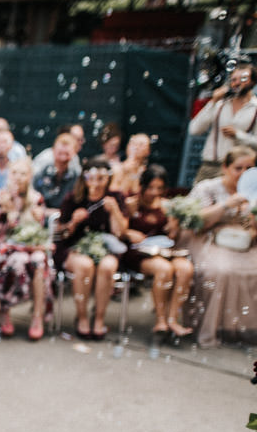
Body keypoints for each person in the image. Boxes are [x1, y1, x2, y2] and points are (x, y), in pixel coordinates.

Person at [184, 145, 257, 347]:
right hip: (208, 238)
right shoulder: (208, 188)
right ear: (225, 167)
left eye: (248, 168)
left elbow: (247, 225)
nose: (242, 173)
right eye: (238, 168)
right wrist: (227, 205)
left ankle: (244, 328)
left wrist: (250, 217)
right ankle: (213, 327)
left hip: (242, 242)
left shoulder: (253, 191)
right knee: (221, 270)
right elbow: (198, 222)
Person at [56, 156, 129, 340]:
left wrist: (115, 212)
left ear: (108, 179)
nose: (96, 183)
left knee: (107, 267)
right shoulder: (74, 198)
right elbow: (61, 233)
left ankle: (99, 318)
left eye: (101, 178)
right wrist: (72, 222)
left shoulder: (116, 198)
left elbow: (120, 233)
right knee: (85, 266)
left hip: (107, 247)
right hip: (75, 247)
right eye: (92, 178)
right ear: (85, 178)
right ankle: (81, 318)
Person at [121, 164, 194, 340]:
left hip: (165, 250)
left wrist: (174, 228)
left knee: (185, 269)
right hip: (139, 253)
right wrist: (130, 233)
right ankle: (160, 320)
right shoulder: (131, 204)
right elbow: (121, 231)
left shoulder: (167, 206)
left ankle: (173, 319)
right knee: (164, 270)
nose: (155, 192)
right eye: (151, 187)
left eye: (160, 188)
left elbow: (172, 235)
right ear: (143, 185)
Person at [0, 158, 53, 341]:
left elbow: (36, 233)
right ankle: (5, 308)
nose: (18, 177)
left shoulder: (36, 198)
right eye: (15, 173)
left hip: (30, 246)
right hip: (3, 246)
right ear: (9, 174)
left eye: (23, 173)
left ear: (29, 176)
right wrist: (7, 213)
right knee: (19, 260)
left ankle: (37, 316)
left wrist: (39, 218)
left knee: (39, 259)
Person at [188, 63, 257, 183]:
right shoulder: (220, 104)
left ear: (253, 82)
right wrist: (213, 101)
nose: (237, 83)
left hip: (238, 170)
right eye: (234, 79)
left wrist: (238, 135)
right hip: (209, 166)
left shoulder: (255, 108)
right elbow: (194, 129)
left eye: (243, 79)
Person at [109, 133, 151, 198]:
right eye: (133, 143)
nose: (136, 147)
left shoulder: (147, 173)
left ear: (148, 151)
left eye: (141, 145)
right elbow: (115, 193)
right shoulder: (116, 168)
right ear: (127, 147)